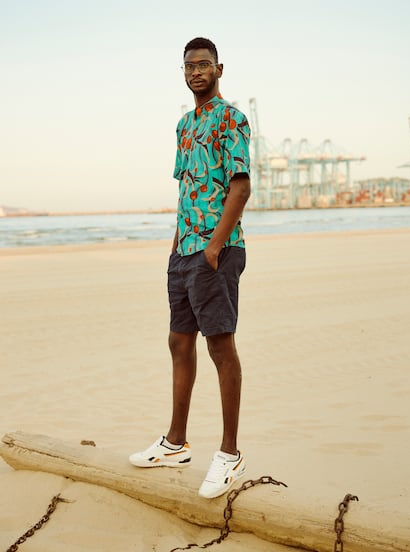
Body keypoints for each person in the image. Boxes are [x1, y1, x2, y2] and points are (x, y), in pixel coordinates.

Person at [129, 37, 251, 499]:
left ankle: (229, 454)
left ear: (219, 68)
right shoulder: (184, 125)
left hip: (216, 250)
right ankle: (175, 444)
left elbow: (240, 187)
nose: (196, 71)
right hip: (183, 252)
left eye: (203, 64)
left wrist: (214, 248)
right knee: (179, 340)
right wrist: (179, 248)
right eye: (189, 66)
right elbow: (188, 190)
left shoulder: (232, 119)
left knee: (221, 346)